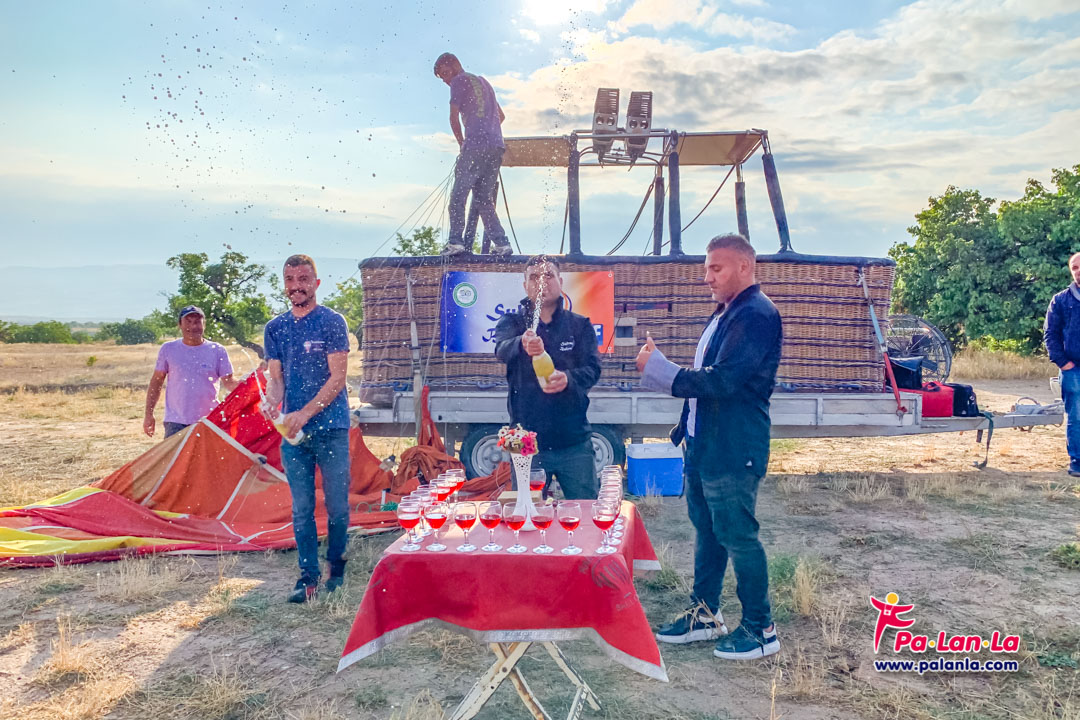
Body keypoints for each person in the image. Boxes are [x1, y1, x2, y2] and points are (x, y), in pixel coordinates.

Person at [637, 233, 783, 661]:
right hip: (705, 446)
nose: (707, 277)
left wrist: (662, 371)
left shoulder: (756, 313)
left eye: (715, 268)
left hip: (734, 449)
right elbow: (708, 380)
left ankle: (760, 629)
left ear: (744, 267)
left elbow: (723, 380)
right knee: (709, 533)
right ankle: (706, 614)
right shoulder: (728, 312)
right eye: (706, 269)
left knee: (738, 537)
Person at [263, 255, 352, 603]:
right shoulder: (275, 328)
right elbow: (276, 380)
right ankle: (308, 577)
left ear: (317, 282)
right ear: (284, 285)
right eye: (289, 279)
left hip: (331, 427)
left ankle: (337, 569)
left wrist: (304, 412)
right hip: (293, 435)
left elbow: (338, 378)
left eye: (303, 278)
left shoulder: (332, 322)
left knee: (337, 505)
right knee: (301, 507)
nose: (296, 285)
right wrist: (272, 402)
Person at [493, 255, 602, 499]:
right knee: (525, 515)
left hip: (573, 440)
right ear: (525, 286)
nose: (542, 282)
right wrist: (521, 344)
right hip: (522, 439)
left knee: (586, 514)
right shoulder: (512, 322)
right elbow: (501, 350)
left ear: (561, 282)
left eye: (548, 275)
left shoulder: (579, 325)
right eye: (534, 277)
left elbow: (593, 370)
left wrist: (568, 379)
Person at [433, 52, 513, 257]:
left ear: (455, 65)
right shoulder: (484, 83)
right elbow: (501, 116)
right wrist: (488, 130)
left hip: (475, 145)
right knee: (483, 199)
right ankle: (502, 244)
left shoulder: (459, 81)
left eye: (445, 73)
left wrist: (463, 144)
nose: (445, 80)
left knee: (459, 195)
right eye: (442, 78)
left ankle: (455, 243)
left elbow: (452, 117)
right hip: (496, 146)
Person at [143, 305, 236, 439]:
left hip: (208, 420)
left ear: (204, 324)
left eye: (197, 322)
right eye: (188, 321)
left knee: (208, 460)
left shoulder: (217, 350)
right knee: (175, 460)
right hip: (175, 421)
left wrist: (253, 383)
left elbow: (230, 382)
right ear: (179, 325)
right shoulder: (168, 349)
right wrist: (148, 414)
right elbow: (157, 382)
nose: (193, 327)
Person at [1043, 251, 1080, 477]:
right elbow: (1050, 335)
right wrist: (1063, 363)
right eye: (1074, 267)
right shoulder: (1060, 300)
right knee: (1076, 416)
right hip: (1072, 368)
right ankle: (1077, 460)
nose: (1078, 271)